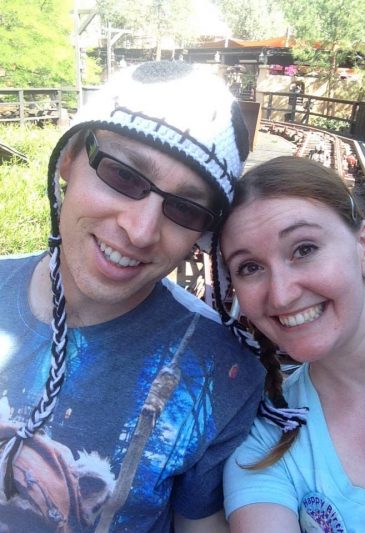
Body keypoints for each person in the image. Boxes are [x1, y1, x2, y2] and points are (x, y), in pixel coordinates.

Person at [0, 61, 265, 532]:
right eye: (124, 176)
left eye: (185, 208)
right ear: (68, 160)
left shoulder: (222, 376)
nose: (140, 231)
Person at [220, 156, 365, 532]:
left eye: (304, 249)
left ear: (364, 245)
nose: (282, 296)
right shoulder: (266, 437)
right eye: (250, 267)